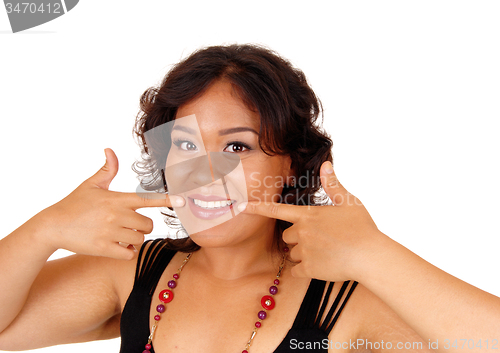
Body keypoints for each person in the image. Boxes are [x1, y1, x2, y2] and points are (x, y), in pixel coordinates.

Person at [0, 44, 498, 353]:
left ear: (290, 166)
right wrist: (44, 229)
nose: (204, 175)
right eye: (186, 146)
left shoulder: (346, 304)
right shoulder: (132, 275)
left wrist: (374, 254)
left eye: (237, 146)